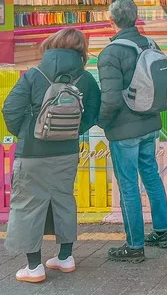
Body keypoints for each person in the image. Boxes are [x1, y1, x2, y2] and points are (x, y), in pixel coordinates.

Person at [2, 28, 101, 283]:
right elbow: (92, 112)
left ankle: (34, 267)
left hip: (32, 153)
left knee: (28, 206)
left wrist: (27, 132)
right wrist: (73, 131)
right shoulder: (86, 79)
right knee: (63, 201)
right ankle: (65, 258)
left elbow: (11, 108)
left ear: (51, 44)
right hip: (66, 152)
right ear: (81, 51)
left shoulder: (34, 75)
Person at [98, 0, 167, 263]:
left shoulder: (110, 54)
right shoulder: (150, 44)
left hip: (124, 130)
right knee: (151, 177)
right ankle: (162, 232)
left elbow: (110, 99)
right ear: (135, 18)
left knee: (128, 185)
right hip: (150, 123)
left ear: (112, 20)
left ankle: (134, 246)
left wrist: (101, 121)